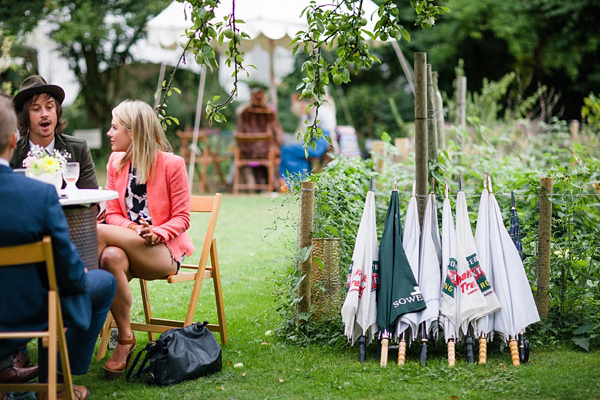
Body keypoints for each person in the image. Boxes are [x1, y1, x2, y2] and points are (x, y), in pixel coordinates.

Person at [0, 95, 116, 400]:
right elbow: (71, 273)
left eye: (49, 106)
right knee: (102, 282)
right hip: (34, 310)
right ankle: (58, 381)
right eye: (36, 108)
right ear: (14, 140)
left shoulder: (73, 148)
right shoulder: (39, 196)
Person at [96, 100, 194, 379]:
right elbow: (112, 213)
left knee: (97, 231)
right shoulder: (116, 162)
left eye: (114, 127)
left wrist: (156, 232)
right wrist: (133, 230)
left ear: (133, 132)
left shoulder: (172, 164)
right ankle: (125, 339)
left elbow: (182, 218)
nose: (109, 133)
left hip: (161, 253)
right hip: (130, 245)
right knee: (110, 256)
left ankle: (76, 302)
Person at [10, 75, 98, 189]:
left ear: (57, 111)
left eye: (49, 107)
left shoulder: (78, 149)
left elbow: (92, 200)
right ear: (24, 116)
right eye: (36, 109)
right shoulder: (12, 154)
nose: (45, 114)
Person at [279, 88, 338, 181]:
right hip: (323, 144)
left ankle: (288, 181)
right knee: (296, 154)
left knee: (285, 150)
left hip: (318, 146)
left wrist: (303, 115)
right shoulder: (327, 109)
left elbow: (309, 130)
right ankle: (299, 180)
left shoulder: (320, 109)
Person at [235, 86, 284, 187]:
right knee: (277, 153)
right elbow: (279, 135)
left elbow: (239, 134)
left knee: (237, 154)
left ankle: (237, 186)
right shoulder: (270, 114)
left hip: (247, 152)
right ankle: (271, 185)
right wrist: (277, 146)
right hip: (266, 152)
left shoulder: (244, 114)